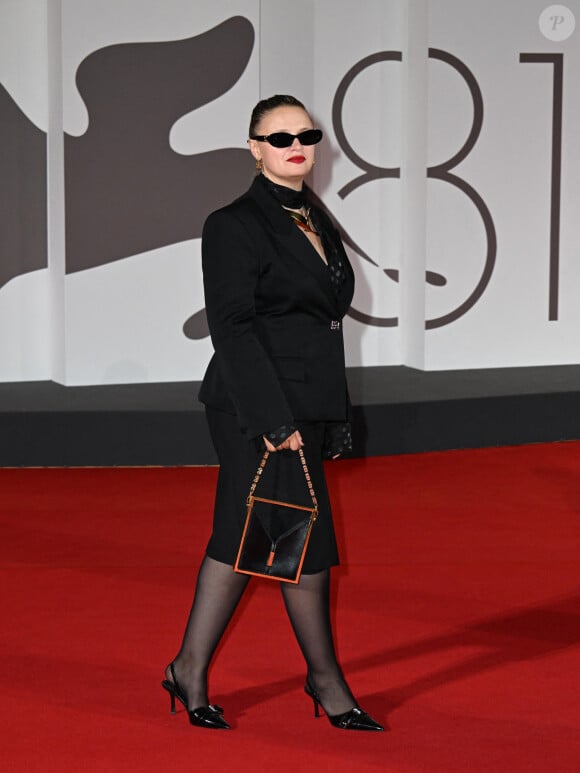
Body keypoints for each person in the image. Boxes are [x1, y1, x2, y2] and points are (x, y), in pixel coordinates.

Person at [162, 95, 383, 732]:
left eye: (305, 134)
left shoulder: (315, 216)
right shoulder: (233, 223)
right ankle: (325, 681)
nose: (295, 144)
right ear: (253, 148)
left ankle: (188, 668)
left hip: (304, 403)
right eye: (277, 135)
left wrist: (321, 414)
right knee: (290, 537)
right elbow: (230, 328)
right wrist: (274, 420)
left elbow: (321, 321)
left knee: (251, 535)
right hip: (255, 407)